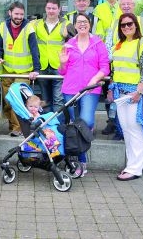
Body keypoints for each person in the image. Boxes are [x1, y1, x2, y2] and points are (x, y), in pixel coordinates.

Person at [107, 13, 143, 181]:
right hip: (120, 92)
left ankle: (135, 168)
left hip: (135, 93)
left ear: (136, 25)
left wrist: (139, 91)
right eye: (123, 25)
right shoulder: (119, 44)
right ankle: (131, 165)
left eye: (130, 24)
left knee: (135, 130)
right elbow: (114, 70)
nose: (126, 27)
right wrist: (110, 88)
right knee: (126, 129)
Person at [58, 13, 110, 177]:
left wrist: (93, 80)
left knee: (86, 121)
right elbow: (62, 72)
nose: (82, 24)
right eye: (78, 22)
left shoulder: (98, 43)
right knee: (75, 124)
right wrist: (62, 62)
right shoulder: (69, 44)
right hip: (70, 89)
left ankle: (88, 135)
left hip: (90, 89)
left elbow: (105, 68)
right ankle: (80, 160)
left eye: (85, 22)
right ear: (74, 25)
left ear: (90, 24)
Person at [103, 0, 143, 139]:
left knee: (135, 124)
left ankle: (137, 158)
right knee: (123, 120)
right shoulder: (114, 23)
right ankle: (119, 133)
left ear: (134, 5)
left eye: (128, 4)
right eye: (123, 4)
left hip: (136, 83)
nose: (126, 6)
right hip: (118, 77)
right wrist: (117, 56)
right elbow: (108, 46)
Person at [0, 1, 41, 137]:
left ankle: (18, 128)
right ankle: (13, 125)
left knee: (17, 99)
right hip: (7, 70)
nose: (19, 17)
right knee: (8, 102)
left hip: (24, 72)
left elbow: (34, 50)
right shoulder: (2, 27)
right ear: (10, 13)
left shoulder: (29, 28)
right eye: (16, 14)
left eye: (21, 14)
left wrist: (36, 69)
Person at [34, 0, 73, 123]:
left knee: (58, 99)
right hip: (43, 66)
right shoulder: (36, 24)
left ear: (59, 9)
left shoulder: (66, 24)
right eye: (49, 8)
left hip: (58, 67)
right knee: (45, 100)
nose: (51, 11)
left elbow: (75, 44)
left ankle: (58, 126)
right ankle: (47, 125)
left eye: (54, 8)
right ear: (45, 9)